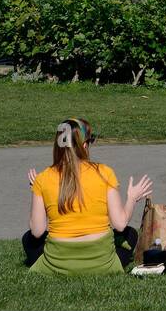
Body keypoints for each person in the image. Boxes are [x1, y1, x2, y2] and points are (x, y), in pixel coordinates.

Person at [23, 117, 152, 276]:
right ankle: (104, 264)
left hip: (59, 262)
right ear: (84, 146)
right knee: (130, 234)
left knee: (28, 239)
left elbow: (37, 231)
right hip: (101, 261)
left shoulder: (43, 178)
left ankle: (58, 265)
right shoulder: (104, 172)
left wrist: (37, 190)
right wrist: (132, 198)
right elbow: (120, 224)